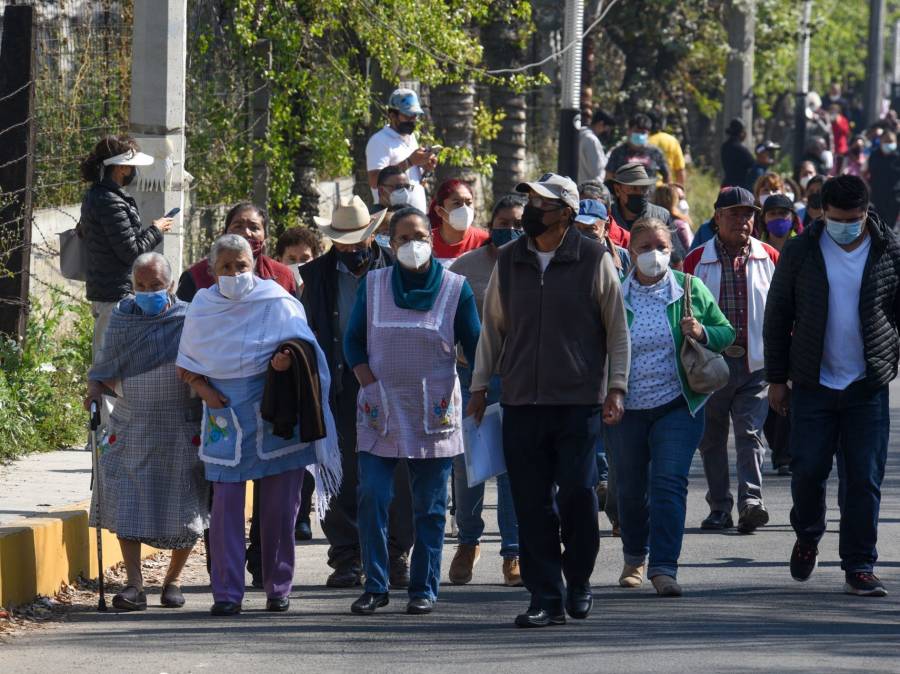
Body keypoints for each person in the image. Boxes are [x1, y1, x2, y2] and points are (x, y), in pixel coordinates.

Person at [468, 172, 630, 628]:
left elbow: (617, 331)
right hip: (521, 401)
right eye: (529, 201)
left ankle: (578, 579)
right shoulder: (511, 259)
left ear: (565, 213)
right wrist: (480, 386)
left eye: (540, 203)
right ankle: (545, 596)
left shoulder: (594, 257)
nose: (530, 211)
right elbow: (493, 328)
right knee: (531, 501)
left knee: (579, 495)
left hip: (577, 402)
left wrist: (616, 387)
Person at [176, 234, 340, 616]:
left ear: (255, 263)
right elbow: (185, 364)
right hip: (224, 416)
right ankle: (227, 594)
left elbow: (305, 349)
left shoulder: (277, 301)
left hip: (276, 416)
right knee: (225, 511)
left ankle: (278, 587)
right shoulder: (202, 306)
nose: (234, 273)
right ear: (213, 272)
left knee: (280, 510)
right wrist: (204, 389)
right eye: (226, 267)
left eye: (241, 265)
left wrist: (285, 360)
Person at [765, 174, 900, 597]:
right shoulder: (803, 250)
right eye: (839, 219)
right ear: (822, 213)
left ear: (866, 212)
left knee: (863, 479)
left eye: (855, 219)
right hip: (812, 383)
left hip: (866, 385)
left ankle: (859, 564)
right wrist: (776, 379)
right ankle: (808, 535)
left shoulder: (888, 249)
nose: (847, 226)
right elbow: (778, 313)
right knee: (807, 470)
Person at [343, 207, 480, 616]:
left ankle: (424, 587)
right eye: (402, 238)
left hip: (433, 409)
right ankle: (376, 584)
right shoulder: (374, 284)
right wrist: (367, 380)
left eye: (419, 235)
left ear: (433, 238)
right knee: (372, 496)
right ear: (389, 242)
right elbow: (353, 340)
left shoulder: (457, 287)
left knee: (432, 507)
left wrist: (482, 390)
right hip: (380, 405)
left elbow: (476, 345)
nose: (412, 244)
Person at [607, 218, 734, 596]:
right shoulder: (615, 295)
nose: (654, 254)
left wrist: (701, 332)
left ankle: (664, 568)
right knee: (629, 488)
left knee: (668, 483)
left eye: (661, 246)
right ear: (631, 253)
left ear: (671, 250)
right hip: (625, 407)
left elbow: (725, 333)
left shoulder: (689, 289)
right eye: (645, 247)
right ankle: (634, 556)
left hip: (678, 406)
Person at [300, 196, 414, 590]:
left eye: (358, 238)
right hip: (339, 384)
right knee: (340, 471)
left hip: (391, 384)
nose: (352, 247)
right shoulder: (314, 275)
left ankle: (396, 553)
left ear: (372, 234)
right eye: (343, 240)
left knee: (397, 472)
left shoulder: (395, 267)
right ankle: (346, 557)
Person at [86, 253, 209, 611]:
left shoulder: (189, 319)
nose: (147, 292)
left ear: (170, 285)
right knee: (127, 503)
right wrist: (94, 391)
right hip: (130, 425)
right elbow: (104, 366)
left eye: (155, 286)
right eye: (141, 286)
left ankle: (173, 580)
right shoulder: (121, 318)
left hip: (179, 425)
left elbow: (205, 362)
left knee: (187, 507)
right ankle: (134, 584)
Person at [683, 186, 779, 534]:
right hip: (711, 363)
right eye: (735, 213)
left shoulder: (769, 256)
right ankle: (719, 507)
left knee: (750, 433)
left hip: (756, 364)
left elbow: (784, 313)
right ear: (717, 216)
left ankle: (751, 502)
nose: (743, 220)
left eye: (749, 214)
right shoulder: (695, 260)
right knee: (711, 438)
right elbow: (685, 310)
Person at [447, 195, 524, 588]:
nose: (508, 228)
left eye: (517, 223)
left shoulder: (531, 264)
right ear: (489, 224)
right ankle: (467, 542)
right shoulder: (465, 267)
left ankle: (513, 552)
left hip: (518, 379)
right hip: (469, 377)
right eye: (502, 221)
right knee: (469, 468)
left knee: (511, 467)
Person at [79, 135, 174, 394]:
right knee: (108, 373)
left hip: (109, 290)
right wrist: (156, 229)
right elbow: (131, 251)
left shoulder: (99, 197)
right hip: (114, 295)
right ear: (121, 168)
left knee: (112, 370)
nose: (134, 173)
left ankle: (110, 431)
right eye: (131, 167)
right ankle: (104, 432)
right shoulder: (109, 201)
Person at [177, 202, 296, 301]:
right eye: (238, 226)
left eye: (254, 228)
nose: (246, 233)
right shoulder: (196, 276)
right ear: (225, 233)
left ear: (265, 236)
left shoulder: (283, 276)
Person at [365, 88, 437, 211]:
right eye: (408, 115)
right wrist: (410, 162)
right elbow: (374, 181)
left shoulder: (412, 138)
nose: (413, 120)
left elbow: (415, 182)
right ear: (392, 115)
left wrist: (426, 170)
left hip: (416, 216)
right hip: (392, 219)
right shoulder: (379, 141)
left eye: (415, 116)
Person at [609, 163, 685, 259]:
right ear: (617, 190)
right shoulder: (608, 217)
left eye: (644, 188)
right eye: (633, 188)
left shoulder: (662, 216)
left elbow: (677, 259)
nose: (640, 192)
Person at [427, 178, 490, 265]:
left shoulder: (485, 241)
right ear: (439, 211)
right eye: (456, 203)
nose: (464, 209)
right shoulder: (426, 241)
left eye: (469, 203)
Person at [606, 113, 670, 184]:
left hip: (649, 194)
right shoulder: (618, 152)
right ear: (628, 131)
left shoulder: (655, 153)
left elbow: (666, 176)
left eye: (643, 132)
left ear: (648, 133)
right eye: (637, 131)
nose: (640, 135)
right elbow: (609, 177)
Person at [575, 199, 629, 274]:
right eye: (576, 229)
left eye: (590, 229)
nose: (582, 235)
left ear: (606, 228)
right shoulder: (562, 257)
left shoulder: (624, 258)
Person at [579, 180, 630, 247]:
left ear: (608, 212)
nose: (587, 212)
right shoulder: (567, 234)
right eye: (582, 206)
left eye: (595, 209)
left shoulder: (626, 240)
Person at [866, 130, 900, 230]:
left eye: (891, 141)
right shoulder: (874, 155)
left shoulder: (898, 157)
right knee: (877, 227)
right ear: (880, 141)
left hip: (894, 198)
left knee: (890, 228)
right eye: (886, 141)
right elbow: (867, 172)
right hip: (876, 198)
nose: (889, 144)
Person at [648, 113, 687, 186]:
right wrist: (679, 189)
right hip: (666, 190)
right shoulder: (672, 140)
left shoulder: (643, 142)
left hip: (645, 190)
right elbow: (680, 170)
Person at [653, 184, 694, 251]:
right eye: (679, 198)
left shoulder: (649, 222)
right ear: (674, 200)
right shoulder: (680, 225)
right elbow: (690, 250)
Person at [579, 108, 614, 184]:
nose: (606, 132)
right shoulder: (591, 140)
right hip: (588, 190)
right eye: (607, 128)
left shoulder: (579, 134)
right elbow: (598, 172)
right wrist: (610, 156)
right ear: (601, 124)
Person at [721, 118, 755, 188]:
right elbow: (753, 164)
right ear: (741, 133)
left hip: (726, 185)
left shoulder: (724, 146)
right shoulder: (740, 149)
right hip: (739, 187)